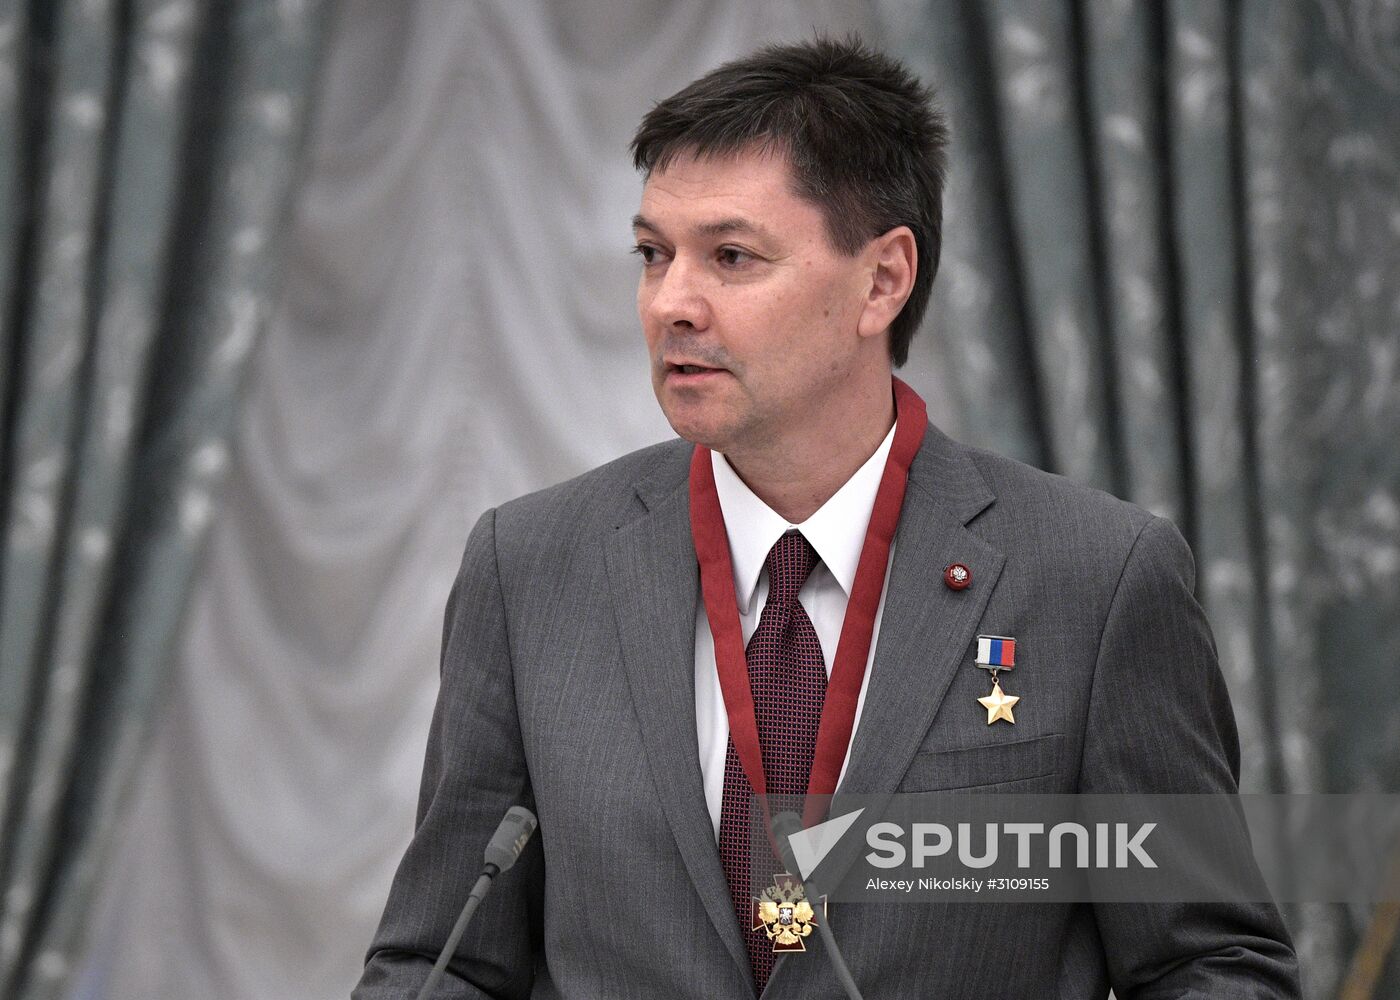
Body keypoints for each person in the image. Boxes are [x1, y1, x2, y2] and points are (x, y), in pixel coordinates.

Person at [354, 36, 1300, 999]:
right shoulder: (530, 568)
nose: (671, 303)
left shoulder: (1096, 578)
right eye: (653, 255)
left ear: (882, 280)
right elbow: (442, 964)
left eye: (731, 257)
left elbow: (1211, 966)